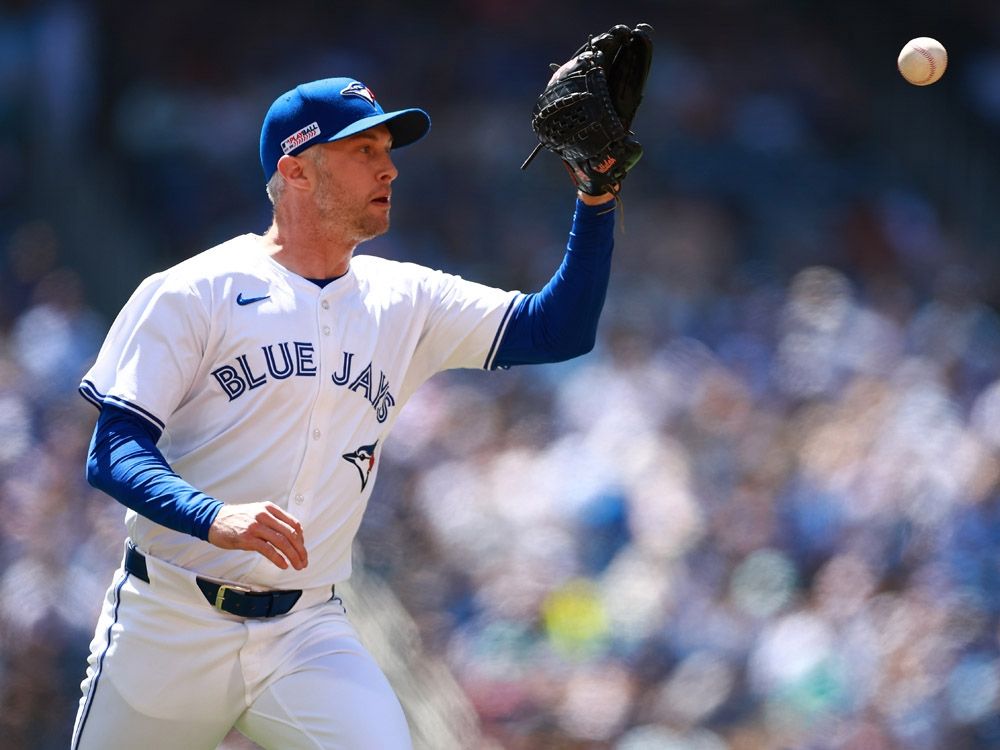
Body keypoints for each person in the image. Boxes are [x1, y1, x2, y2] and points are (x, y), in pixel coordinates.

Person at [71, 76, 619, 750]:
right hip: (169, 621)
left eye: (387, 148)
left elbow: (559, 330)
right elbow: (114, 449)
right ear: (296, 170)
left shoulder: (404, 298)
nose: (388, 166)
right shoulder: (193, 292)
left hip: (305, 632)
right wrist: (212, 516)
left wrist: (596, 197)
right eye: (363, 149)